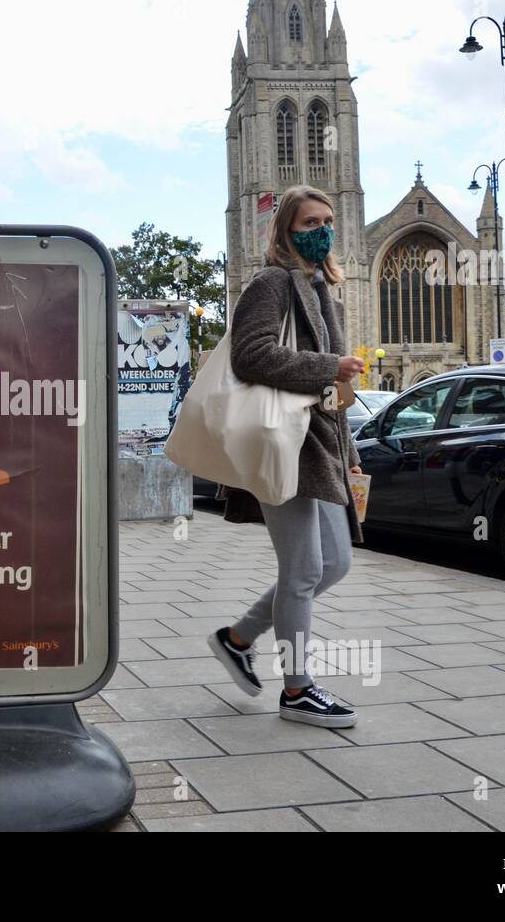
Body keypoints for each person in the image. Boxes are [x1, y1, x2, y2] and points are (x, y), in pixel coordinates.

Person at [206, 185, 366, 728]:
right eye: (307, 223)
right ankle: (297, 690)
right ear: (285, 232)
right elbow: (251, 355)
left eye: (326, 220)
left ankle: (237, 638)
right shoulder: (271, 282)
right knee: (302, 569)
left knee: (334, 563)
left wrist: (349, 453)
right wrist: (328, 365)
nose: (321, 230)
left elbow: (333, 393)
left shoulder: (323, 288)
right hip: (284, 443)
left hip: (318, 445)